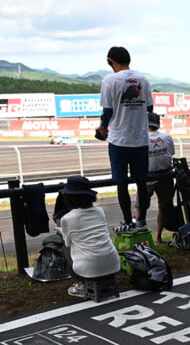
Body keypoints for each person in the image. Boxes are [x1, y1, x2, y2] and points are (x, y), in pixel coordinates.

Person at [95, 46, 154, 233]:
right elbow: (150, 109)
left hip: (119, 140)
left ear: (111, 61)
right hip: (141, 140)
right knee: (141, 183)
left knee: (122, 184)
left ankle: (128, 223)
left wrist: (103, 128)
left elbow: (108, 110)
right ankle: (142, 221)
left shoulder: (110, 80)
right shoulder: (143, 79)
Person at [59, 175, 120, 298]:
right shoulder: (100, 211)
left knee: (62, 246)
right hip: (113, 264)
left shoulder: (66, 219)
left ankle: (81, 284)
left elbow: (67, 243)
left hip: (88, 269)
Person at [145, 112, 175, 244]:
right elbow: (171, 154)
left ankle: (142, 242)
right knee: (163, 206)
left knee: (141, 208)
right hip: (165, 175)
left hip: (147, 176)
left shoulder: (141, 138)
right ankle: (158, 238)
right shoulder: (167, 137)